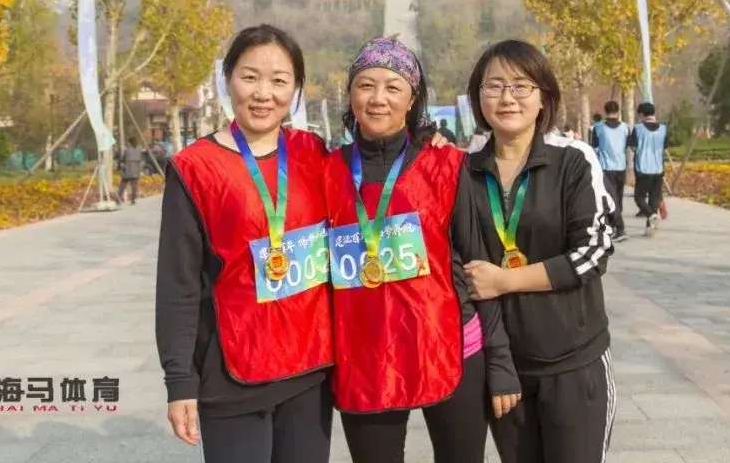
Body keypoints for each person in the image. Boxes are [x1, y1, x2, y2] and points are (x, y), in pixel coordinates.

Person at [323, 36, 521, 463]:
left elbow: (479, 265)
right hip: (365, 355)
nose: (378, 99)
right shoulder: (326, 171)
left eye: (393, 87)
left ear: (412, 99)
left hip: (447, 346)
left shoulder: (446, 165)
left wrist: (500, 361)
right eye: (366, 85)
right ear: (350, 94)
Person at [155, 25, 334, 463]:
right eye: (250, 77)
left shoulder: (313, 151)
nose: (263, 93)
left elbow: (379, 171)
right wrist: (180, 381)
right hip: (232, 373)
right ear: (228, 79)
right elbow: (178, 284)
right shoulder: (195, 168)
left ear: (295, 89)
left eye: (279, 80)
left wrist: (426, 140)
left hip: (310, 371)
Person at [458, 39, 616, 463]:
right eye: (494, 86)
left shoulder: (573, 160)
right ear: (478, 97)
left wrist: (505, 280)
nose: (507, 98)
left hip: (573, 362)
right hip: (506, 369)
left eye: (521, 86)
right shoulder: (463, 171)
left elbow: (593, 251)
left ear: (543, 95)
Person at [591, 101, 630, 242]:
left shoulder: (598, 127)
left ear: (605, 111)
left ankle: (619, 228)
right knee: (618, 197)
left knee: (609, 198)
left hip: (606, 167)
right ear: (618, 111)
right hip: (621, 166)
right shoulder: (625, 127)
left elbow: (594, 146)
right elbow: (627, 145)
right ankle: (616, 226)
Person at [627, 102, 666, 238]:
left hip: (643, 168)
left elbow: (632, 147)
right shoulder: (663, 128)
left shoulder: (638, 129)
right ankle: (650, 228)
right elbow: (665, 146)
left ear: (642, 114)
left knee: (639, 198)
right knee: (654, 198)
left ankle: (651, 216)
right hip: (658, 168)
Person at [116, 138, 144, 204]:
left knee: (123, 185)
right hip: (136, 171)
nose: (127, 144)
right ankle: (133, 200)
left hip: (127, 171)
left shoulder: (127, 150)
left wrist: (120, 166)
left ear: (130, 143)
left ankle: (118, 198)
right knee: (134, 186)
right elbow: (142, 160)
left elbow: (122, 159)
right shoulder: (139, 150)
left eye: (128, 142)